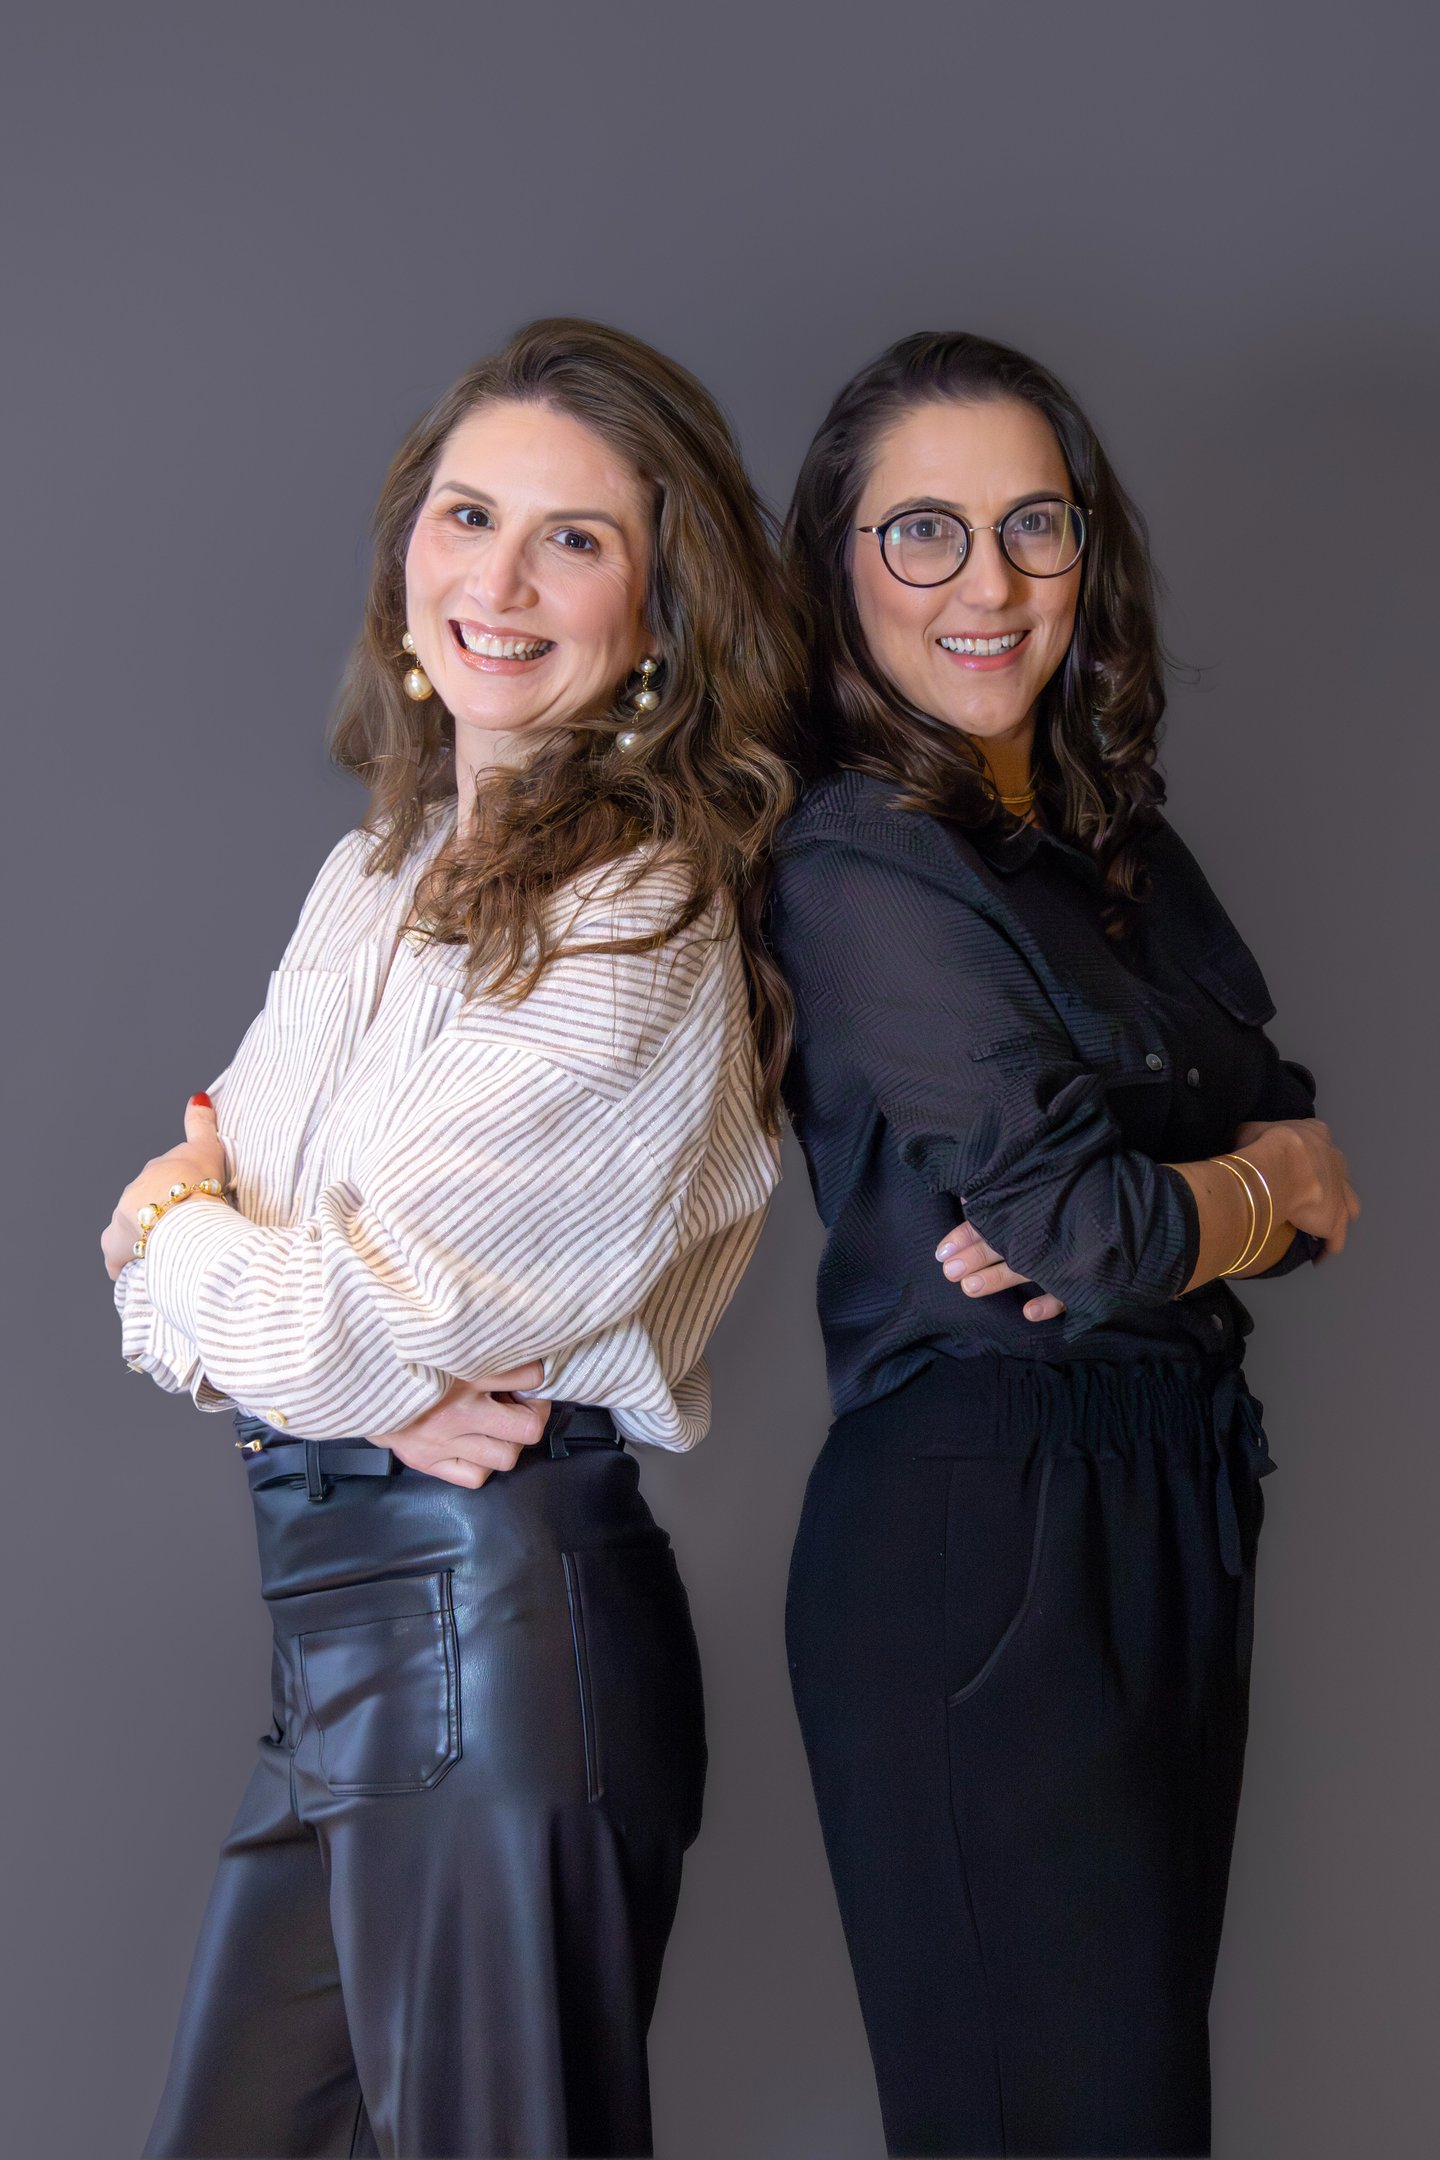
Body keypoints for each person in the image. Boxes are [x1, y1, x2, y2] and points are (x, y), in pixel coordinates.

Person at [103, 317, 802, 2160]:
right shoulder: (372, 876)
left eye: (574, 539)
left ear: (658, 615)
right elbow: (243, 1312)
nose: (498, 581)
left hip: (488, 1631)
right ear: (408, 546)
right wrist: (255, 1299)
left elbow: (308, 1310)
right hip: (340, 1631)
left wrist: (177, 1231)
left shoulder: (636, 913)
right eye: (468, 514)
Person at [767, 330, 1358, 2159]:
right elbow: (1099, 1224)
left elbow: (1293, 1129)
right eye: (924, 532)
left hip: (1174, 1499)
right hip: (985, 1536)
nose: (992, 583)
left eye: (1035, 524)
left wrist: (1218, 1196)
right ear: (840, 566)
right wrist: (1244, 1193)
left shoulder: (1114, 840)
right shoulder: (856, 861)